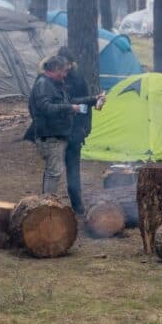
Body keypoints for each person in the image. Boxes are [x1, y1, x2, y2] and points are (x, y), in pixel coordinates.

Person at [57, 47, 104, 214]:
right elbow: (68, 101)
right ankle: (47, 202)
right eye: (65, 64)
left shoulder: (77, 79)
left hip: (75, 128)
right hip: (58, 128)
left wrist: (86, 126)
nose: (67, 68)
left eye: (69, 64)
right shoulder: (54, 79)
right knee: (53, 169)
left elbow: (84, 106)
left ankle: (77, 205)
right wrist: (92, 99)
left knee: (73, 168)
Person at [28, 55, 83, 196]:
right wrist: (69, 108)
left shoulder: (53, 84)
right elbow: (45, 108)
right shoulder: (43, 84)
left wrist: (93, 100)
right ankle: (48, 205)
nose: (65, 75)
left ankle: (47, 203)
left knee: (52, 171)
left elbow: (68, 101)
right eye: (64, 71)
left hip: (55, 134)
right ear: (55, 69)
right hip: (50, 135)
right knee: (54, 172)